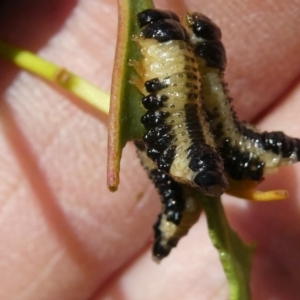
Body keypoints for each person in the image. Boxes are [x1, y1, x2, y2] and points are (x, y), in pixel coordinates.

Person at [0, 0, 299, 299]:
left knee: (177, 133)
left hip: (188, 142)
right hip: (187, 139)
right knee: (177, 131)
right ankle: (182, 202)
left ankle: (182, 202)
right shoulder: (181, 97)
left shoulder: (182, 114)